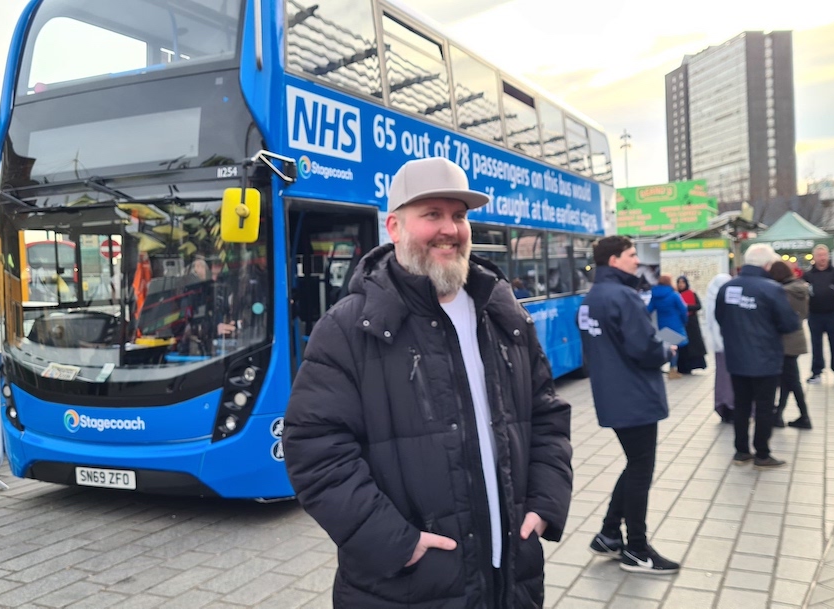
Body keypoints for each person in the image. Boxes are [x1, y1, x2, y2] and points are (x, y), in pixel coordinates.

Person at [282, 157, 573, 608]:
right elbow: (315, 450)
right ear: (395, 227)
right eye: (432, 215)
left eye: (459, 216)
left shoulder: (503, 312)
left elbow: (548, 415)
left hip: (511, 580)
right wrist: (397, 543)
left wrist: (545, 503)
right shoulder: (348, 327)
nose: (450, 229)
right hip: (408, 587)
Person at [579, 235, 680, 574]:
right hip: (635, 396)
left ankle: (609, 535)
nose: (637, 261)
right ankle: (637, 548)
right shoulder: (624, 296)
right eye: (632, 255)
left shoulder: (592, 297)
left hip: (612, 395)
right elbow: (645, 348)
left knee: (634, 463)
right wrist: (667, 349)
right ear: (613, 260)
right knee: (641, 469)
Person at [715, 244, 801, 469]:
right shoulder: (771, 289)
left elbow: (720, 317)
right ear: (767, 264)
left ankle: (741, 451)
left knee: (741, 405)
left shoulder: (727, 288)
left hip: (736, 358)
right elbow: (790, 323)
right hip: (765, 359)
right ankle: (762, 453)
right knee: (764, 407)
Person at [769, 261, 811, 429]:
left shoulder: (783, 292)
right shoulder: (799, 288)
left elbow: (778, 316)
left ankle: (805, 416)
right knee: (787, 380)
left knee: (792, 381)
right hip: (796, 337)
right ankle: (778, 415)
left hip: (786, 340)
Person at [804, 245, 834, 384]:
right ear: (814, 257)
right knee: (816, 345)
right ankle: (817, 372)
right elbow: (800, 291)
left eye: (824, 255)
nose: (822, 258)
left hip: (833, 314)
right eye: (819, 255)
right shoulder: (808, 275)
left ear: (828, 256)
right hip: (814, 315)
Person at [705, 273, 735, 423]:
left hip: (719, 348)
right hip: (729, 346)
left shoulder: (710, 299)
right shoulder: (726, 299)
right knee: (729, 379)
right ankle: (730, 406)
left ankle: (723, 406)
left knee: (722, 379)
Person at [647, 274, 688, 379]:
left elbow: (648, 310)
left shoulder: (655, 295)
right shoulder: (674, 295)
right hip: (675, 323)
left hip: (662, 324)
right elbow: (683, 309)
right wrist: (684, 321)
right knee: (675, 347)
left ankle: (665, 367)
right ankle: (672, 370)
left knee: (668, 346)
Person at [675, 276, 708, 375]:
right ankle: (683, 367)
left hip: (692, 323)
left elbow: (698, 306)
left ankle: (693, 365)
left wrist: (686, 307)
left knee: (693, 345)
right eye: (679, 282)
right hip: (680, 322)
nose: (681, 285)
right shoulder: (676, 295)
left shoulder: (691, 293)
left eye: (683, 282)